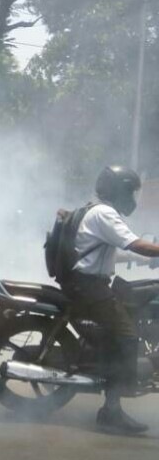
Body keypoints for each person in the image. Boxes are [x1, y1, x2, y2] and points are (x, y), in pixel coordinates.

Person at [60, 165, 159, 434]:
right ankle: (111, 411)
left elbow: (110, 252)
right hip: (89, 288)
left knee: (139, 299)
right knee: (127, 337)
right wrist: (151, 252)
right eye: (131, 191)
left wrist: (147, 260)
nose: (133, 198)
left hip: (89, 285)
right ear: (121, 191)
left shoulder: (95, 210)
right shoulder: (105, 213)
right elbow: (135, 243)